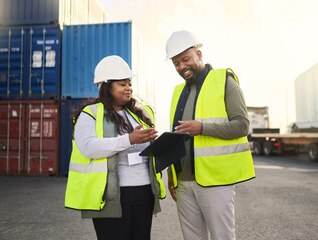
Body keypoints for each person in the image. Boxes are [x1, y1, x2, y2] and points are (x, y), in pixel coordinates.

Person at [165, 30, 255, 240]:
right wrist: (172, 175)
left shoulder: (224, 80)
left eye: (185, 59)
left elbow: (242, 126)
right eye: (176, 63)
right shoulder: (178, 91)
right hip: (183, 183)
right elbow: (175, 136)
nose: (181, 67)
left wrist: (203, 128)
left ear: (199, 54)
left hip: (215, 181)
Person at [65, 55, 166, 240]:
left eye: (129, 83)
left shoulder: (141, 113)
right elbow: (89, 147)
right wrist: (129, 139)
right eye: (122, 84)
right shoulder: (90, 114)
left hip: (144, 191)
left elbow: (147, 152)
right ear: (106, 86)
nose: (129, 88)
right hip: (112, 196)